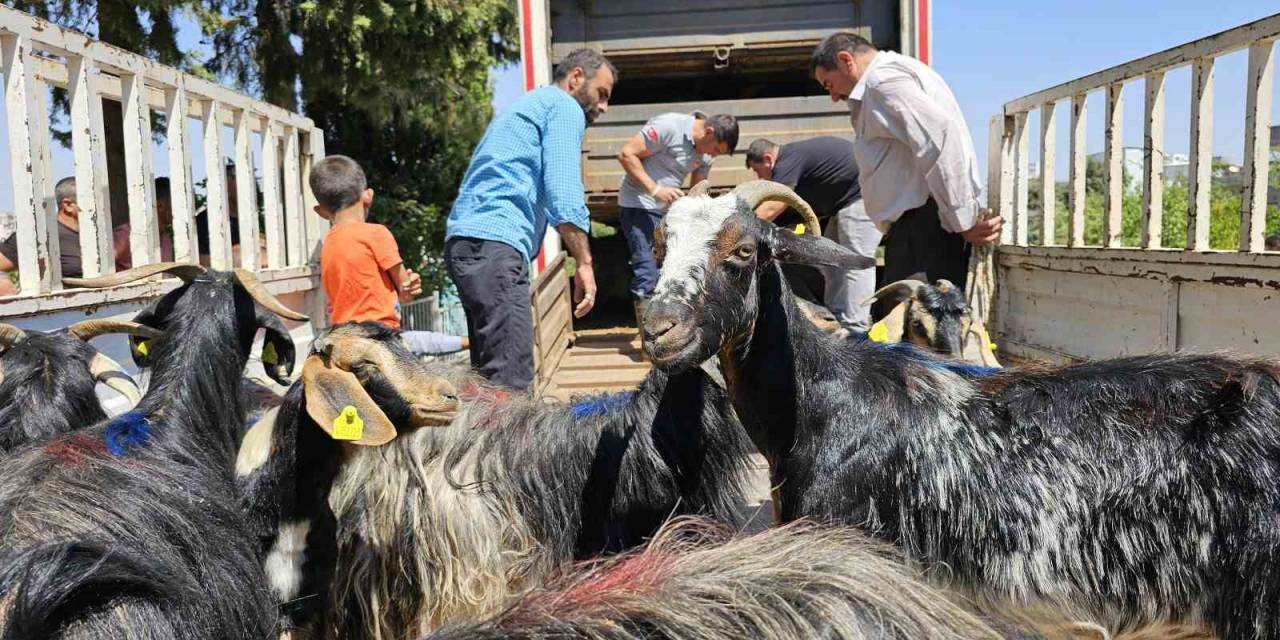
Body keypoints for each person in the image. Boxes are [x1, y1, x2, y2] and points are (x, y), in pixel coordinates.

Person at [445, 48, 616, 391]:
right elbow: (563, 188)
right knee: (511, 383)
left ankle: (483, 444)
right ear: (576, 77)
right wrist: (584, 261)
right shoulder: (564, 106)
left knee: (490, 383)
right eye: (601, 93)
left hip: (469, 245)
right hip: (495, 245)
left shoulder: (528, 106)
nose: (603, 107)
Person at [811, 33, 1002, 289]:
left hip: (924, 233)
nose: (833, 96)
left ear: (846, 60)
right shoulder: (885, 80)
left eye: (828, 84)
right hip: (916, 231)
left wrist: (962, 222)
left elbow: (939, 139)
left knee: (916, 320)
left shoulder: (882, 83)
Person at [311, 154, 467, 356]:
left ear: (321, 211)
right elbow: (405, 289)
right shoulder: (376, 234)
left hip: (344, 340)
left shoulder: (328, 245)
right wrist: (409, 284)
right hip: (381, 338)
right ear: (368, 196)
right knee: (428, 344)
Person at [745, 136, 881, 331]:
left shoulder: (787, 160)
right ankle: (837, 316)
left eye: (758, 171)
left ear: (768, 159)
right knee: (833, 260)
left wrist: (744, 226)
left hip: (860, 196)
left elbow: (775, 205)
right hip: (845, 202)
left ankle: (856, 327)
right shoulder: (792, 156)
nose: (761, 178)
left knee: (855, 261)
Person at [615, 111, 738, 322]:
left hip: (665, 213)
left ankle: (671, 332)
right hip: (639, 206)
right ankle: (649, 341)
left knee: (672, 272)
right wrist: (656, 189)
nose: (715, 155)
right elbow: (626, 154)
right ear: (708, 132)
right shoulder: (669, 126)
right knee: (647, 272)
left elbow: (696, 190)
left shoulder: (706, 154)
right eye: (717, 149)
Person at [0, 176, 130, 284]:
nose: (101, 208)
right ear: (68, 205)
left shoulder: (99, 236)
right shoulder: (40, 235)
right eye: (93, 202)